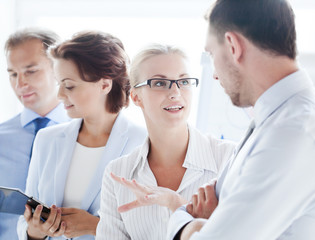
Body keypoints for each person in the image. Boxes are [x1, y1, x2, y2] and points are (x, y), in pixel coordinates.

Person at [165, 0, 315, 239]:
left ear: (233, 46)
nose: (213, 73)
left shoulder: (294, 134)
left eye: (212, 53)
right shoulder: (274, 121)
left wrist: (184, 224)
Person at [95, 44, 236, 240]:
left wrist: (178, 205)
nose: (175, 92)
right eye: (160, 83)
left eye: (184, 81)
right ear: (136, 97)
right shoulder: (118, 174)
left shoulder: (229, 158)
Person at [17, 31, 147, 240]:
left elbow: (155, 230)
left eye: (68, 85)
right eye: (59, 84)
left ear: (105, 84)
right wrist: (34, 231)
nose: (59, 95)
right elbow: (25, 222)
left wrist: (96, 226)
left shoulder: (143, 144)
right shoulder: (47, 140)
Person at [0, 28, 70, 239]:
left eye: (30, 71)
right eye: (13, 74)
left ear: (58, 69)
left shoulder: (88, 135)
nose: (20, 84)